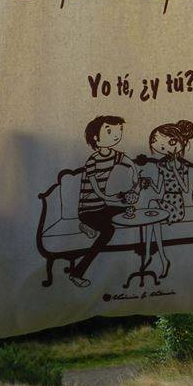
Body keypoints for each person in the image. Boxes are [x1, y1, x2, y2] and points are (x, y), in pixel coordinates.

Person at [68, 115, 132, 288]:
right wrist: (113, 198)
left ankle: (87, 227)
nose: (116, 135)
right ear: (96, 137)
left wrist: (134, 176)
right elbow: (97, 190)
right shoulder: (92, 161)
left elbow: (131, 164)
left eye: (118, 131)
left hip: (102, 207)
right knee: (108, 231)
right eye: (109, 131)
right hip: (88, 211)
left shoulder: (114, 155)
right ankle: (77, 273)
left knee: (129, 210)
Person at [143, 120, 193, 278]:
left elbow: (185, 189)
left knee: (153, 216)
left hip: (176, 205)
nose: (164, 149)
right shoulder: (161, 165)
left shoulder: (182, 166)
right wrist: (149, 182)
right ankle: (158, 258)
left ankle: (150, 256)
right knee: (153, 211)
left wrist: (175, 170)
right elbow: (159, 189)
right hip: (165, 201)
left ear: (180, 142)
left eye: (170, 143)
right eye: (160, 146)